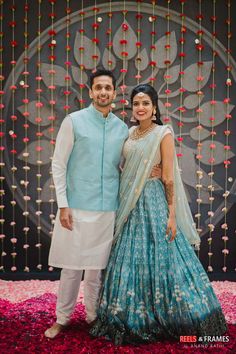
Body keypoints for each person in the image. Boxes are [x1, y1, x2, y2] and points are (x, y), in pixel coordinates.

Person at [90, 84, 227, 345]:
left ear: (154, 108)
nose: (140, 107)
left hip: (154, 202)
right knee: (129, 257)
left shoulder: (163, 133)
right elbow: (125, 167)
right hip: (129, 202)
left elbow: (168, 178)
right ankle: (130, 315)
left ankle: (175, 317)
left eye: (145, 103)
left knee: (163, 254)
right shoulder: (130, 133)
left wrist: (172, 215)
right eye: (136, 103)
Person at [44, 71, 161, 339]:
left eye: (108, 87)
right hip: (75, 206)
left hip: (108, 207)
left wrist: (152, 171)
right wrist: (63, 204)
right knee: (72, 268)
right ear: (91, 92)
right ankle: (62, 318)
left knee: (97, 269)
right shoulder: (73, 122)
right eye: (99, 87)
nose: (103, 92)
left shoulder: (122, 129)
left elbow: (128, 164)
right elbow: (58, 164)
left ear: (114, 92)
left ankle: (93, 316)